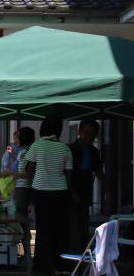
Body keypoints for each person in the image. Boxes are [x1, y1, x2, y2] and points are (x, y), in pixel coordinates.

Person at [26, 115, 73, 275]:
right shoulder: (65, 148)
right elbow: (69, 175)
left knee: (44, 229)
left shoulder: (36, 146)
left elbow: (30, 171)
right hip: (61, 192)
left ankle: (42, 264)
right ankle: (61, 264)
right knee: (60, 229)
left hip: (42, 192)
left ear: (43, 129)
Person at [68, 120, 103, 253]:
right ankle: (72, 255)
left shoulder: (94, 151)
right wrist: (71, 192)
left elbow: (98, 171)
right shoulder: (71, 149)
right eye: (88, 133)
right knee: (74, 226)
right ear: (79, 132)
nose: (90, 137)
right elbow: (67, 173)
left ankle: (82, 252)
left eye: (93, 135)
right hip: (72, 192)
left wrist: (108, 187)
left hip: (85, 191)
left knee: (83, 225)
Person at [0, 127, 35, 256]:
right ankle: (25, 253)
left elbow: (27, 174)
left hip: (25, 190)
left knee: (21, 220)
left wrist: (9, 173)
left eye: (18, 137)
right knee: (20, 219)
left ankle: (27, 254)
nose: (16, 140)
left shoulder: (29, 152)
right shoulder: (23, 152)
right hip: (20, 188)